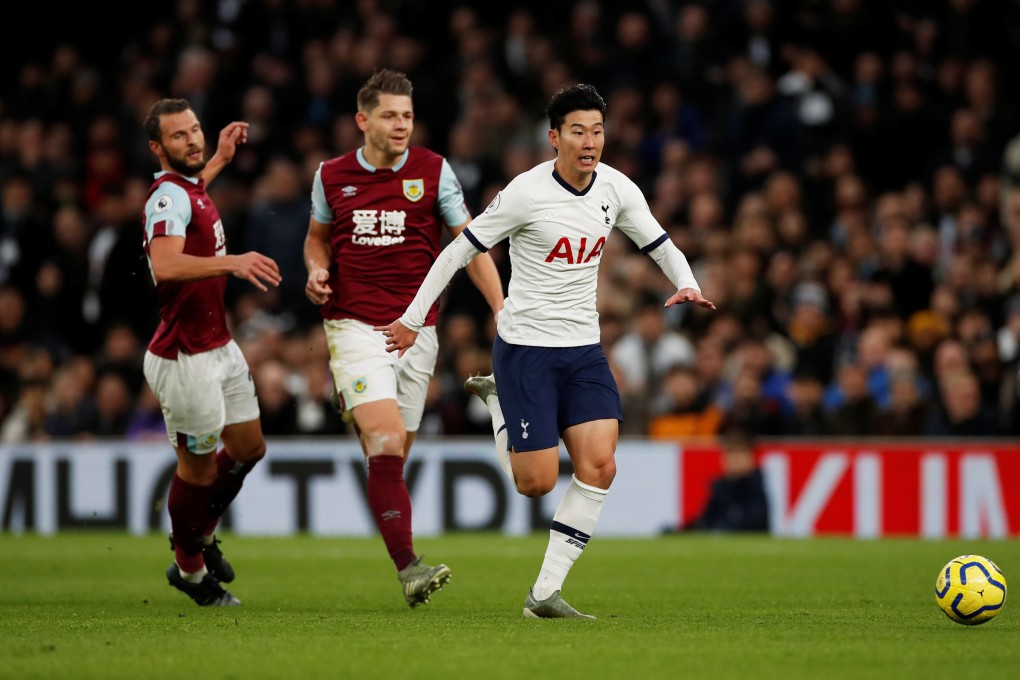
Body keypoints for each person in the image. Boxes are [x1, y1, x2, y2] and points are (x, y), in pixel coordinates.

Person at [380, 84, 714, 618]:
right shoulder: (524, 194)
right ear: (554, 137)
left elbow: (659, 241)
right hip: (526, 349)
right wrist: (412, 320)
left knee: (600, 465)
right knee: (533, 485)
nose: (590, 142)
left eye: (598, 131)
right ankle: (497, 404)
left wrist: (687, 281)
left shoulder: (616, 188)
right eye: (578, 131)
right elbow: (458, 251)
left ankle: (543, 595)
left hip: (584, 349)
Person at [303, 69, 504, 608]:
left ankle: (355, 403)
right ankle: (410, 568)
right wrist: (316, 270)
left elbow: (472, 244)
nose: (401, 126)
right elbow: (317, 240)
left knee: (389, 456)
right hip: (353, 325)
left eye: (408, 116)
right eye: (390, 116)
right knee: (388, 440)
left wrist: (501, 309)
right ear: (362, 120)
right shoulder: (332, 175)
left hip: (417, 332)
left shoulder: (435, 172)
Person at [141, 98, 282, 607]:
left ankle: (199, 530)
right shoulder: (165, 199)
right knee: (197, 472)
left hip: (218, 345)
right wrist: (232, 262)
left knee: (248, 448)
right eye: (179, 136)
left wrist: (220, 158)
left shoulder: (191, 187)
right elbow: (167, 265)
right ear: (158, 147)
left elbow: (196, 187)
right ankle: (191, 569)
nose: (193, 140)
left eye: (196, 129)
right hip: (184, 358)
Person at [688, 428, 770, 532]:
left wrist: (720, 529)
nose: (735, 459)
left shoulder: (756, 485)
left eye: (740, 453)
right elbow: (706, 520)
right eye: (731, 453)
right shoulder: (720, 487)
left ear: (751, 458)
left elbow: (755, 522)